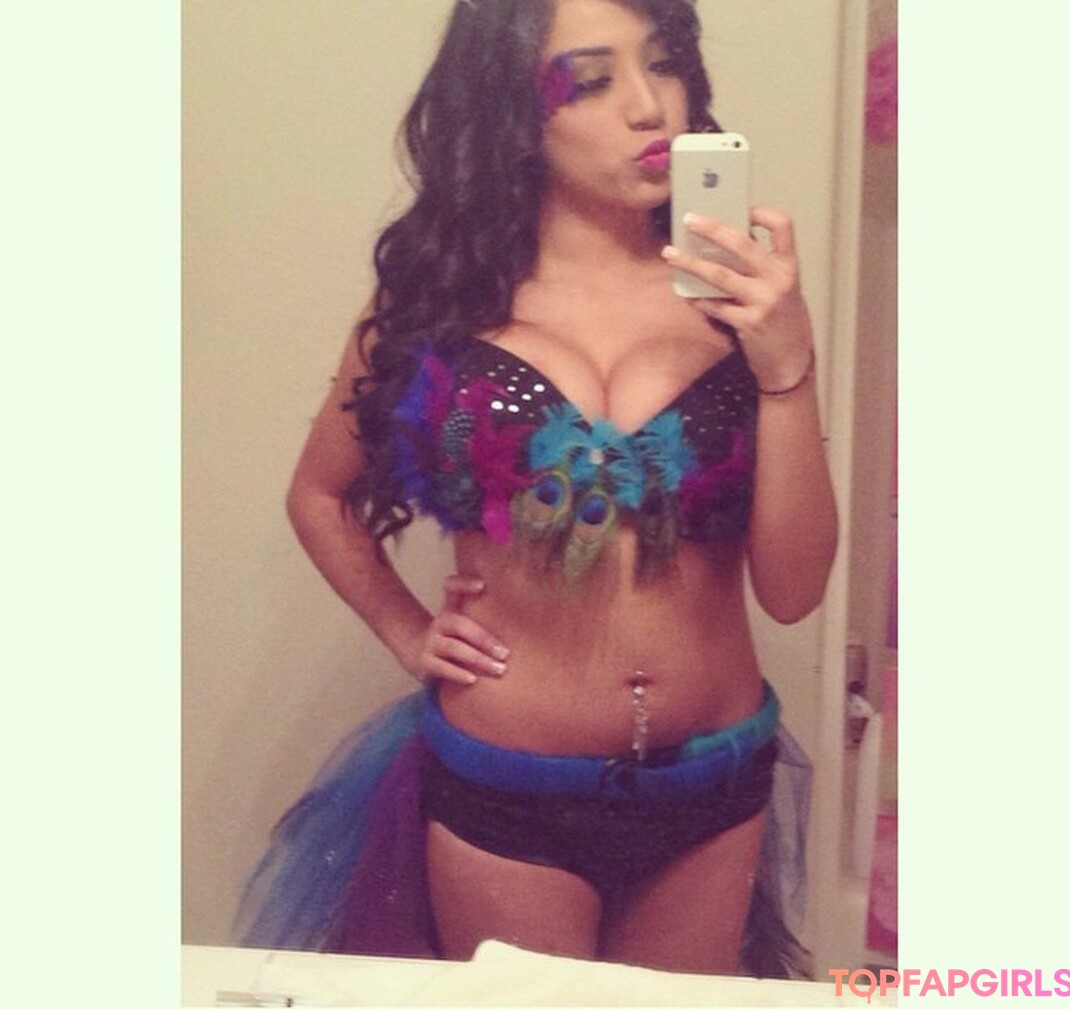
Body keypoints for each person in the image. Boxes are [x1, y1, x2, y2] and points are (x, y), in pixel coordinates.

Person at [235, 0, 837, 978]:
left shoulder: (740, 300)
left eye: (664, 63)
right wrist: (407, 630)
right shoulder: (439, 299)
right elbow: (321, 495)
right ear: (513, 111)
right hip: (505, 790)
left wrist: (788, 368)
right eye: (592, 79)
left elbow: (796, 588)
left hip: (715, 782)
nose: (649, 106)